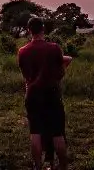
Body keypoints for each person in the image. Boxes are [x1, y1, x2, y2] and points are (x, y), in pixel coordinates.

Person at [17, 16, 73, 170]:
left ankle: (37, 166)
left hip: (32, 94)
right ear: (43, 29)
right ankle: (62, 166)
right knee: (57, 133)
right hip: (52, 93)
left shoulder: (22, 51)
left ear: (29, 31)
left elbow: (26, 75)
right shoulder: (54, 48)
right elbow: (60, 73)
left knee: (35, 131)